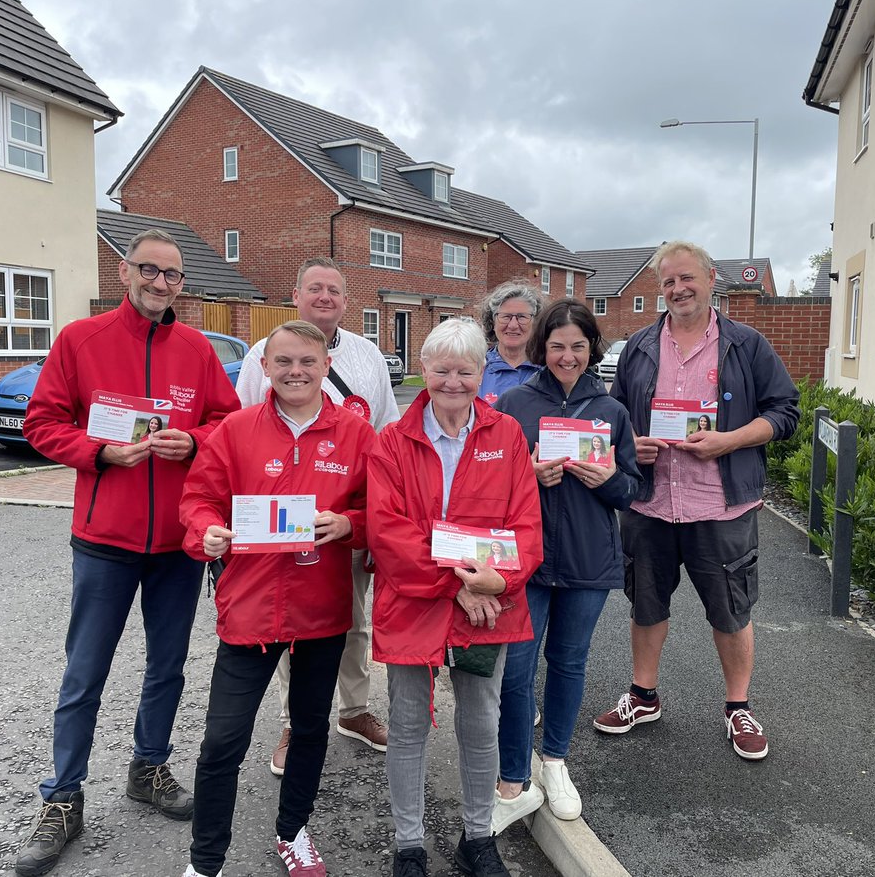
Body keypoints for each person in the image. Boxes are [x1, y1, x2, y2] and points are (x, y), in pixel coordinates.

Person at [15, 228, 242, 877]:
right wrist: (101, 452)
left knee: (167, 668)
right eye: (150, 270)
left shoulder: (197, 350)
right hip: (104, 542)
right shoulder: (80, 341)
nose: (161, 283)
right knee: (84, 674)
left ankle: (149, 767)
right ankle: (62, 798)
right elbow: (41, 423)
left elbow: (228, 422)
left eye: (172, 276)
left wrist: (194, 442)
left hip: (177, 543)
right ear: (125, 271)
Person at [178, 321, 374, 877]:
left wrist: (348, 523)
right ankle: (205, 860)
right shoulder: (236, 429)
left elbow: (384, 509)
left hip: (321, 610)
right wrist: (208, 531)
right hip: (250, 610)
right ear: (264, 366)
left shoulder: (357, 434)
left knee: (310, 731)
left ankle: (293, 832)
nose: (296, 372)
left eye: (307, 362)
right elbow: (198, 500)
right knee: (223, 742)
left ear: (325, 367)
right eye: (284, 361)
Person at [595, 240, 798, 761]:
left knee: (730, 610)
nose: (678, 289)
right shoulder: (639, 346)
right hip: (650, 503)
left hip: (721, 505)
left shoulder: (746, 344)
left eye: (687, 279)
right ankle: (644, 696)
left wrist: (730, 440)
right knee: (645, 603)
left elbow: (785, 412)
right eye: (668, 282)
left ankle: (738, 707)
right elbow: (615, 417)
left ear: (711, 279)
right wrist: (628, 445)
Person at [368, 319, 544, 877]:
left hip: (489, 603)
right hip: (418, 602)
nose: (452, 381)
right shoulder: (392, 441)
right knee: (408, 725)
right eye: (441, 370)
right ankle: (409, 846)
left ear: (480, 372)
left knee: (480, 722)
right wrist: (458, 586)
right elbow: (387, 532)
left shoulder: (507, 436)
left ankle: (476, 838)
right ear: (424, 370)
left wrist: (498, 584)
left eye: (465, 370)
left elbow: (526, 526)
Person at [236, 258, 399, 775]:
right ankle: (293, 720)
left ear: (346, 301)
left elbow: (387, 431)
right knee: (289, 623)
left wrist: (371, 524)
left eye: (334, 290)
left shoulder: (367, 354)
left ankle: (353, 710)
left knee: (353, 619)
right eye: (315, 289)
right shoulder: (263, 353)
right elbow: (242, 429)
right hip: (279, 520)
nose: (324, 297)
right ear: (296, 293)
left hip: (343, 521)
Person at [492, 299, 641, 829]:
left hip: (586, 558)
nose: (568, 356)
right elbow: (487, 484)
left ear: (591, 349)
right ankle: (513, 776)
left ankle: (555, 761)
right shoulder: (512, 403)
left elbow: (631, 491)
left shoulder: (612, 411)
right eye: (557, 346)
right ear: (542, 348)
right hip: (525, 560)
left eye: (578, 346)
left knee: (570, 663)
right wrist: (527, 474)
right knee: (516, 668)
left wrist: (611, 482)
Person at [478, 281, 544, 405]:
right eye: (505, 316)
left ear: (536, 323)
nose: (513, 325)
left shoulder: (549, 370)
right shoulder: (475, 367)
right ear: (492, 322)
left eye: (522, 317)